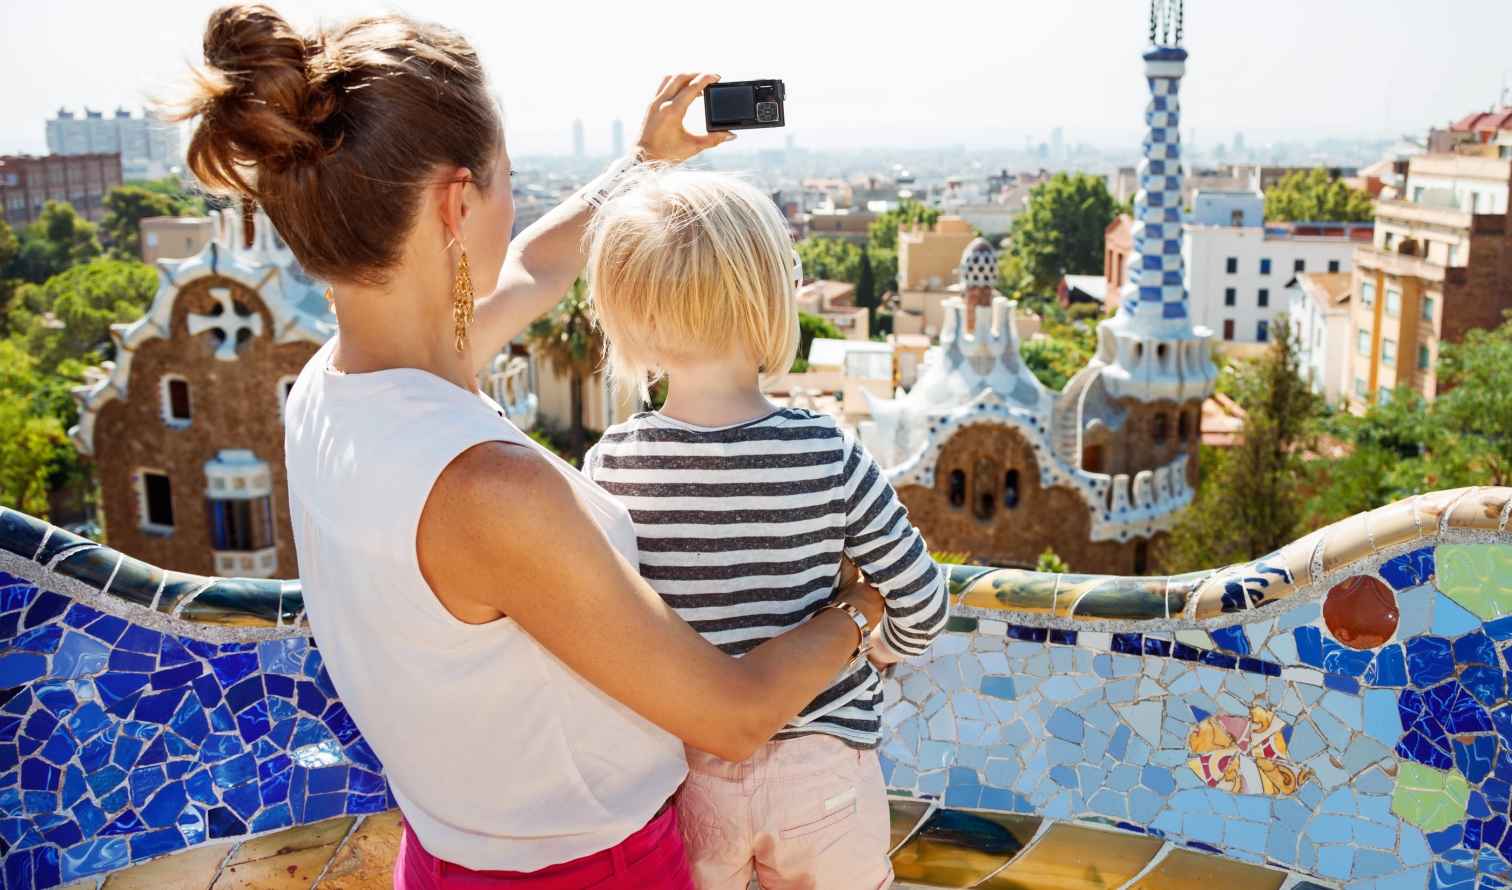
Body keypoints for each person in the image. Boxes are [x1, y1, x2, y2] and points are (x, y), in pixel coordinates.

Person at [174, 5, 886, 889]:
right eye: (506, 177)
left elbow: (535, 271)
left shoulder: (332, 390)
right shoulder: (485, 488)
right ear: (456, 202)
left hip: (442, 856)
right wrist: (859, 610)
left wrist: (642, 166)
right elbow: (733, 716)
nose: (514, 205)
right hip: (593, 870)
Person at [582, 169, 950, 889]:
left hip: (686, 777)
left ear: (630, 317)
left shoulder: (610, 466)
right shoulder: (826, 452)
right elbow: (923, 603)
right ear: (767, 304)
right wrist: (874, 650)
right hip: (824, 768)